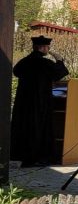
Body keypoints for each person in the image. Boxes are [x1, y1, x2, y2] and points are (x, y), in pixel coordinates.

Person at [11, 35, 69, 167]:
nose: (48, 49)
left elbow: (16, 72)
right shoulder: (45, 63)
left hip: (23, 102)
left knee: (23, 127)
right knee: (38, 128)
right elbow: (59, 73)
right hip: (40, 101)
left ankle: (20, 155)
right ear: (42, 48)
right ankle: (38, 157)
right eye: (47, 47)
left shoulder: (24, 62)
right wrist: (59, 60)